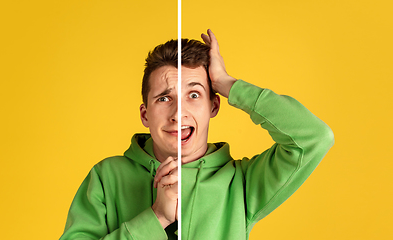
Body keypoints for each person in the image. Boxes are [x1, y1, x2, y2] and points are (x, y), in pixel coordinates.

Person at [60, 29, 334, 240]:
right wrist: (156, 218)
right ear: (145, 115)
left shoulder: (241, 184)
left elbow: (313, 137)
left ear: (214, 105)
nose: (179, 114)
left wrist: (228, 84)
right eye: (164, 98)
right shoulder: (106, 177)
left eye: (194, 95)